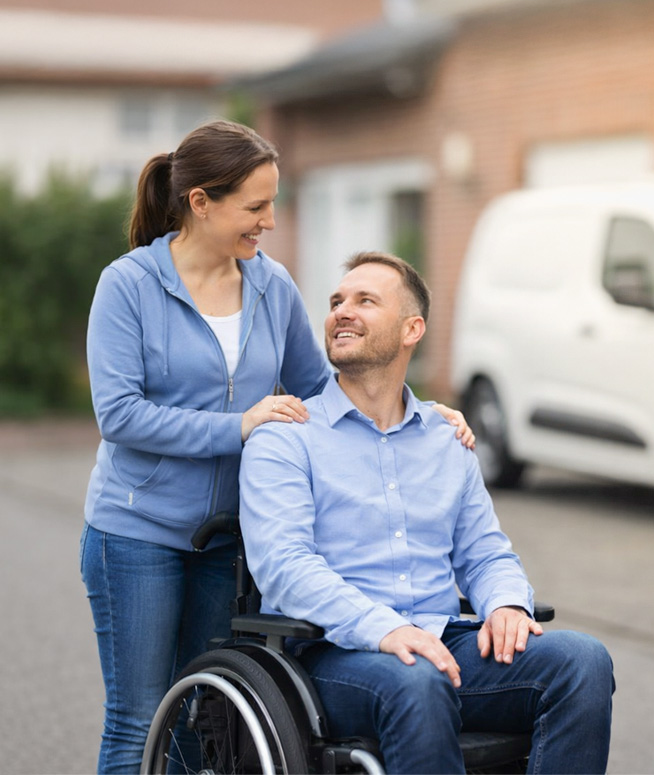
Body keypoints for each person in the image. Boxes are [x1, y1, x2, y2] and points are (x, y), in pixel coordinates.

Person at [80, 121, 472, 774]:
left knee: (204, 717)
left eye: (272, 203)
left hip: (228, 541)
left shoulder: (270, 285)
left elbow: (324, 391)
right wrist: (238, 425)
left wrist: (423, 414)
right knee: (139, 715)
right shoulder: (128, 286)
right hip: (136, 531)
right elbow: (119, 415)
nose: (267, 220)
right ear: (200, 201)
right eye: (254, 206)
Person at [239, 251, 616, 774]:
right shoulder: (286, 437)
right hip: (338, 657)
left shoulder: (446, 438)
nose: (341, 311)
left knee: (581, 662)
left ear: (411, 328)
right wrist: (382, 629)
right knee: (418, 678)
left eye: (365, 301)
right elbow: (284, 565)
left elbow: (484, 552)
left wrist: (507, 605)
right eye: (335, 302)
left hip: (443, 643)